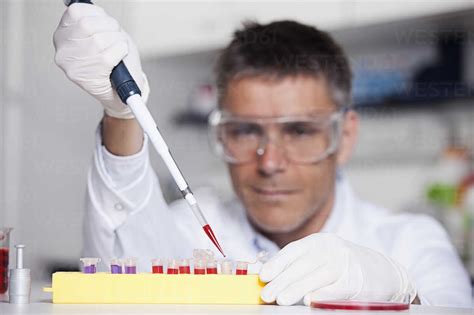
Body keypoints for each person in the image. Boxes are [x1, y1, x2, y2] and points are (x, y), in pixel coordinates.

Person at [53, 3, 472, 307]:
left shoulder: (409, 242)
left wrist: (404, 294)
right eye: (245, 130)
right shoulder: (190, 235)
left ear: (344, 137)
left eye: (300, 131)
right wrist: (122, 113)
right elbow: (114, 279)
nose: (270, 162)